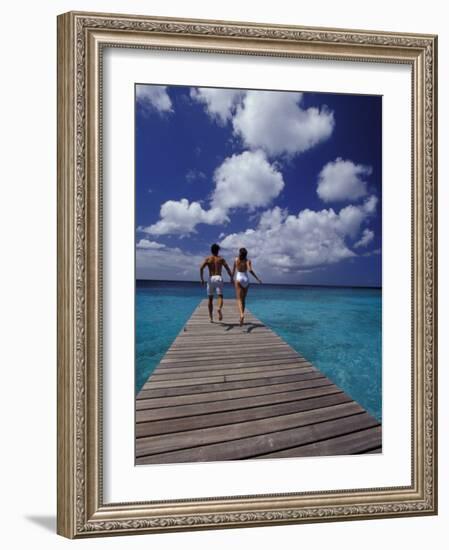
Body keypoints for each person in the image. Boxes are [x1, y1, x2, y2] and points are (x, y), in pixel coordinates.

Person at [200, 243, 233, 322]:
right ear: (218, 251)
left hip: (211, 278)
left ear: (211, 250)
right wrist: (231, 277)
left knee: (210, 299)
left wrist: (202, 279)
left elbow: (201, 268)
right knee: (220, 296)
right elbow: (228, 269)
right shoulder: (221, 259)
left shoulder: (208, 259)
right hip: (218, 277)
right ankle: (219, 308)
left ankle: (211, 318)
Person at [232, 248, 262, 326]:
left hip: (239, 278)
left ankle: (241, 314)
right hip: (246, 279)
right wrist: (257, 278)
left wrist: (231, 278)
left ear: (239, 253)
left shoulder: (236, 260)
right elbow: (250, 270)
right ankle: (242, 315)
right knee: (243, 299)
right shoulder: (248, 261)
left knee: (239, 299)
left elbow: (233, 270)